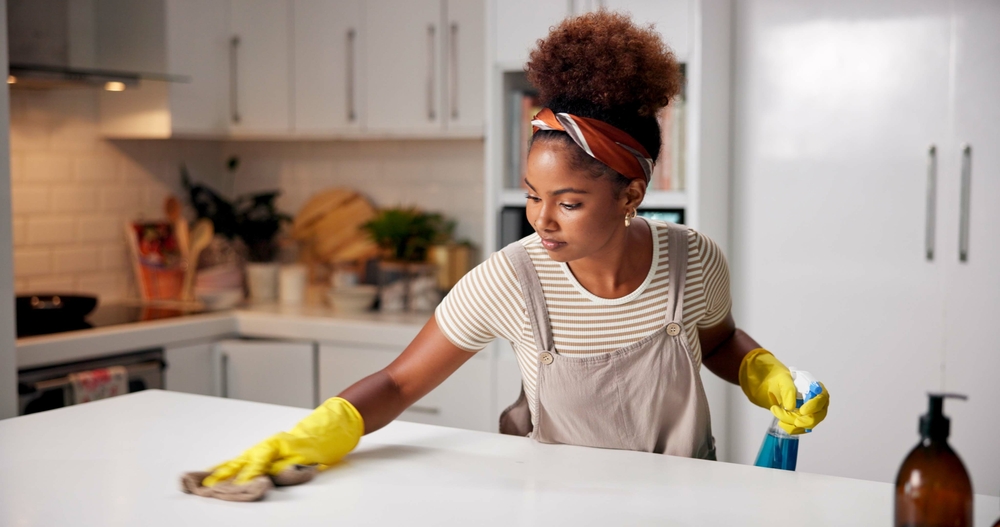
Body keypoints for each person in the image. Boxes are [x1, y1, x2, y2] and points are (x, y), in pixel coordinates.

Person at [202, 11, 830, 486]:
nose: (542, 221)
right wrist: (312, 435)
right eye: (533, 195)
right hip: (556, 498)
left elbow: (716, 342)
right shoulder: (512, 277)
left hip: (687, 496)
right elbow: (398, 382)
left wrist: (764, 374)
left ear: (631, 193)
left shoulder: (692, 259)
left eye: (569, 201)